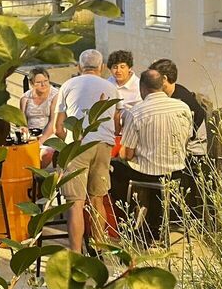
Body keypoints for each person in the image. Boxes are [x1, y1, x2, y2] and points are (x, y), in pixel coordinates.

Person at [53, 49, 122, 254]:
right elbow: (117, 126)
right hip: (104, 145)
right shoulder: (111, 88)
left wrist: (66, 142)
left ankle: (76, 253)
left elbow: (58, 127)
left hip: (77, 144)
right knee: (97, 199)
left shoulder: (67, 86)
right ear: (102, 67)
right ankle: (98, 250)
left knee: (75, 203)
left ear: (79, 66)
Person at [115, 70, 193, 244]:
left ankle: (131, 226)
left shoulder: (136, 112)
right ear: (162, 85)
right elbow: (187, 139)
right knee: (155, 178)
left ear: (142, 88)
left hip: (147, 174)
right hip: (177, 172)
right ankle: (154, 226)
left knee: (115, 171)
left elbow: (126, 154)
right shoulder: (183, 107)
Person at [150, 58, 210, 215]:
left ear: (164, 79)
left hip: (192, 151)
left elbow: (186, 134)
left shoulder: (181, 99)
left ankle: (172, 214)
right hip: (177, 148)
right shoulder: (167, 96)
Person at [19, 67, 59, 166]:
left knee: (46, 153)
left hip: (49, 133)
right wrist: (25, 131)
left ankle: (36, 172)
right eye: (39, 82)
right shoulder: (25, 98)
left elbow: (53, 122)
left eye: (46, 81)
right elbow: (22, 121)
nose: (43, 84)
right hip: (31, 134)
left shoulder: (55, 96)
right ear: (32, 83)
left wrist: (40, 141)